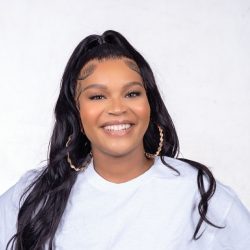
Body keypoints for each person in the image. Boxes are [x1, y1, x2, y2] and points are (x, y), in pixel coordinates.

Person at [0, 30, 250, 250]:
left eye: (132, 93)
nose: (117, 108)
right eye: (97, 96)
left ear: (149, 104)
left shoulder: (198, 192)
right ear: (76, 111)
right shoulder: (33, 195)